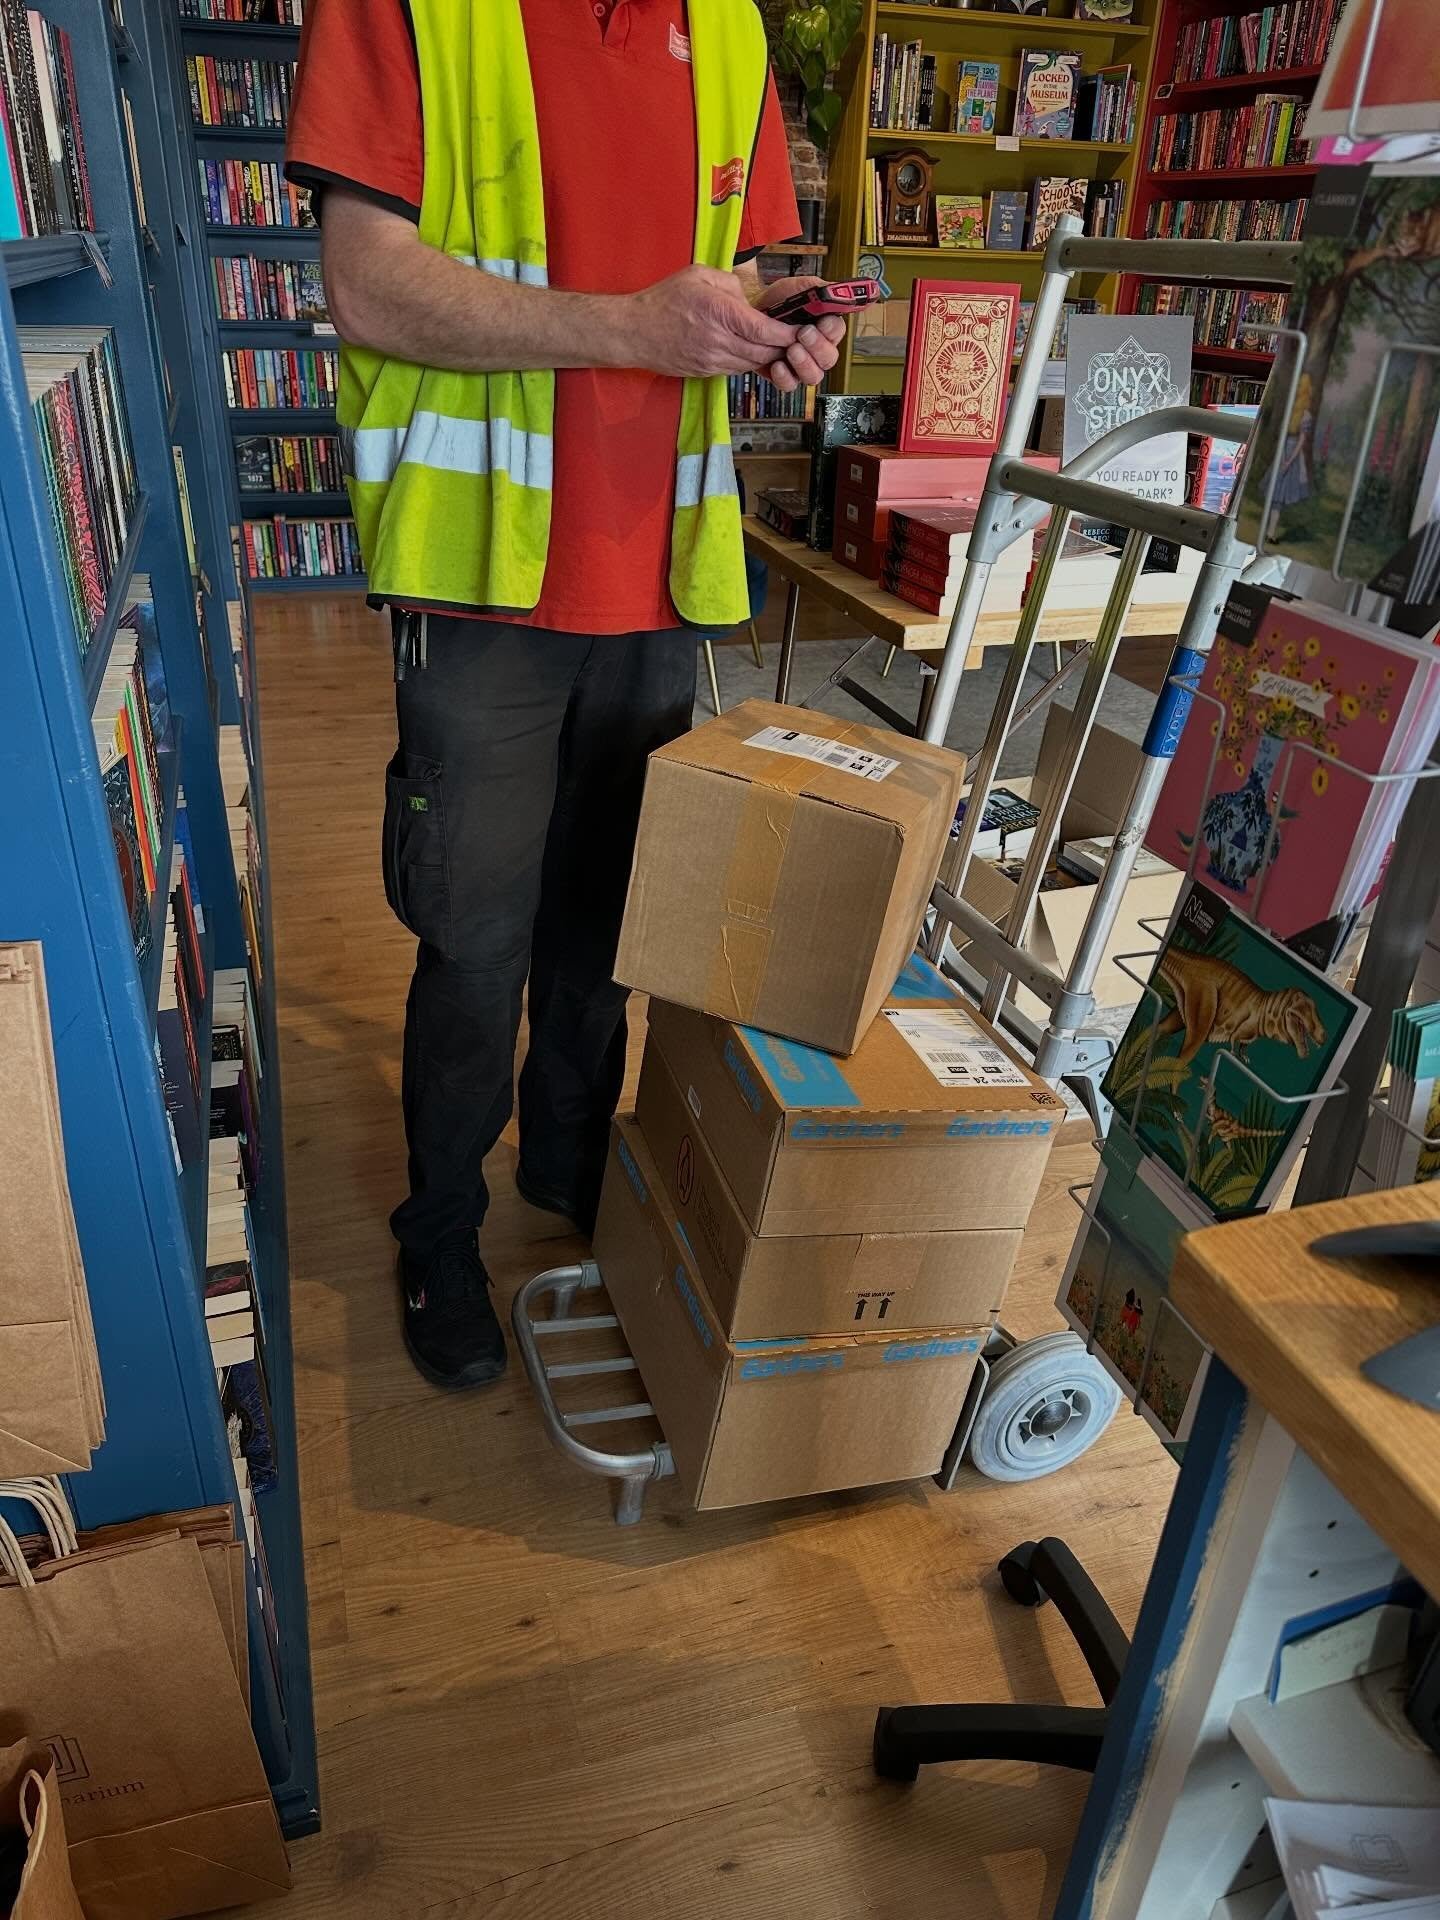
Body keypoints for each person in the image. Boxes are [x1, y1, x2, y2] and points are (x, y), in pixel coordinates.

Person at [285, 0, 849, 1391]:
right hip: (485, 583)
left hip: (662, 576)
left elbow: (733, 282)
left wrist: (776, 335)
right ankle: (440, 1229)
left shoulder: (726, 33)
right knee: (474, 950)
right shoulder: (413, 12)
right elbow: (365, 283)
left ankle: (565, 1168)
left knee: (605, 937)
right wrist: (633, 323)